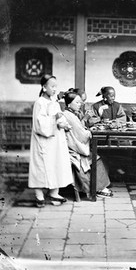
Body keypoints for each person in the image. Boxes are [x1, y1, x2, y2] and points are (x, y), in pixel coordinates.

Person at [28, 74, 73, 208]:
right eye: (52, 86)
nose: (55, 89)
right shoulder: (39, 103)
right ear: (44, 87)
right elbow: (39, 124)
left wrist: (64, 123)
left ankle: (54, 192)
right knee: (41, 167)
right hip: (43, 141)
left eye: (56, 86)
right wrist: (55, 119)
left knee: (56, 164)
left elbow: (60, 118)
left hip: (55, 140)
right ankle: (39, 195)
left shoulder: (54, 102)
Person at [62, 91, 113, 198]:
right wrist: (90, 132)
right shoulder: (70, 116)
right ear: (68, 104)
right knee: (96, 158)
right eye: (77, 102)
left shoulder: (71, 114)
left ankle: (99, 186)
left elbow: (79, 130)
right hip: (74, 149)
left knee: (98, 157)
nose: (80, 104)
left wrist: (88, 129)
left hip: (74, 145)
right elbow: (81, 135)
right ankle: (97, 188)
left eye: (80, 102)